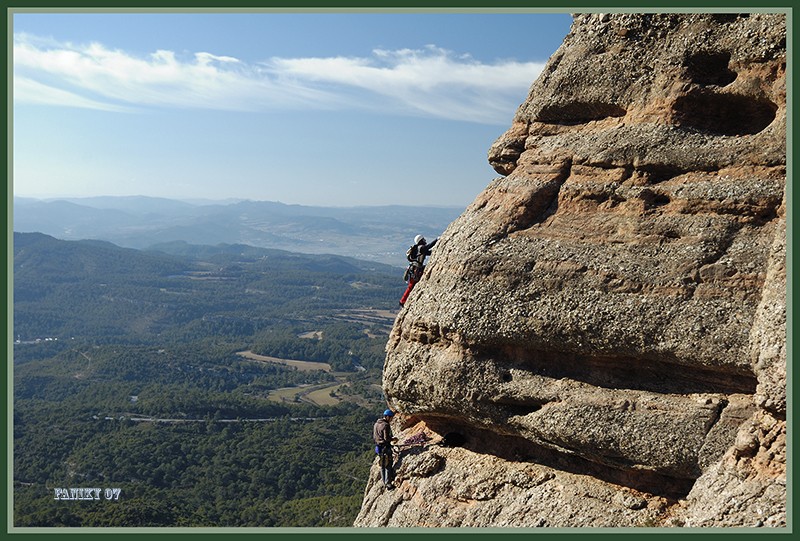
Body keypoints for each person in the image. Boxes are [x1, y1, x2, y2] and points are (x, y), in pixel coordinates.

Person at [400, 235, 438, 306]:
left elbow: (429, 252)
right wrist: (437, 240)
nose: (425, 241)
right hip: (416, 270)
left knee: (411, 286)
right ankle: (402, 301)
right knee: (411, 286)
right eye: (423, 239)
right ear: (420, 241)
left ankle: (403, 301)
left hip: (414, 269)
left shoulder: (418, 249)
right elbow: (428, 247)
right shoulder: (421, 248)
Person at [373, 409, 397, 489]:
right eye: (390, 418)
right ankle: (388, 483)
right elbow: (386, 438)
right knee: (388, 465)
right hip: (385, 447)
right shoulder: (385, 425)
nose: (391, 420)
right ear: (387, 417)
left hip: (378, 447)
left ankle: (384, 482)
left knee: (382, 465)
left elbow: (374, 437)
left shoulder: (376, 424)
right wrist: (393, 439)